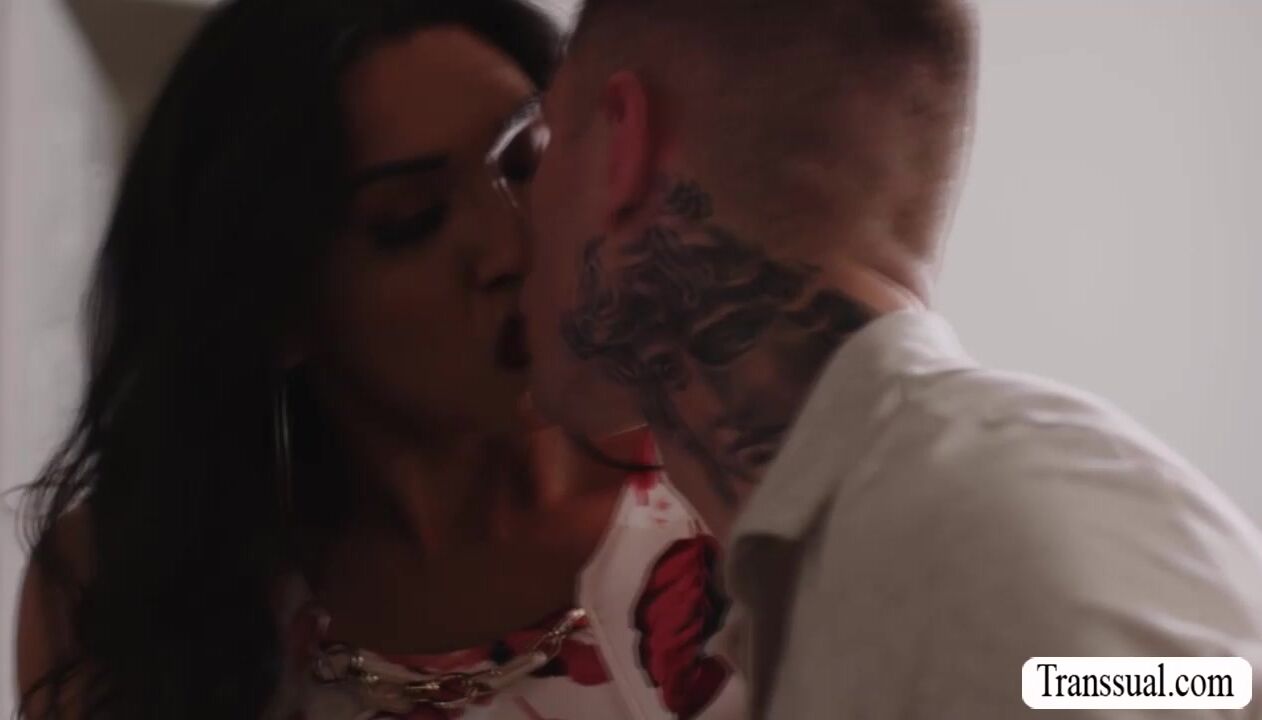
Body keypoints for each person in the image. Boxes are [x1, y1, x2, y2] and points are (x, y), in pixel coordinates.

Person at [520, 0, 1262, 717]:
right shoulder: (861, 567)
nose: (512, 218)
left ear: (623, 144)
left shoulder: (979, 553)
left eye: (537, 150)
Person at [15, 1, 748, 718]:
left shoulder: (737, 484)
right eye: (412, 220)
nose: (513, 247)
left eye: (527, 162)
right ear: (277, 306)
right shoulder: (130, 587)